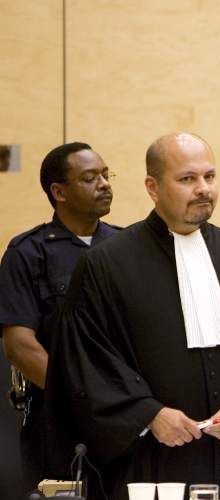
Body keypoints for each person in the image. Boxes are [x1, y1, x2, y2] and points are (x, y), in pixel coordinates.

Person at [46, 133, 220, 499]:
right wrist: (148, 414)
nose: (203, 189)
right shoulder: (105, 266)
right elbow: (85, 364)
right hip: (147, 464)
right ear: (152, 187)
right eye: (187, 179)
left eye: (209, 177)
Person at [0, 142, 118, 491]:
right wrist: (83, 399)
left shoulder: (128, 248)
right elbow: (20, 345)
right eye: (89, 177)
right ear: (59, 191)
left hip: (126, 419)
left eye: (105, 174)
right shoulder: (27, 253)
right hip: (59, 421)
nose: (104, 184)